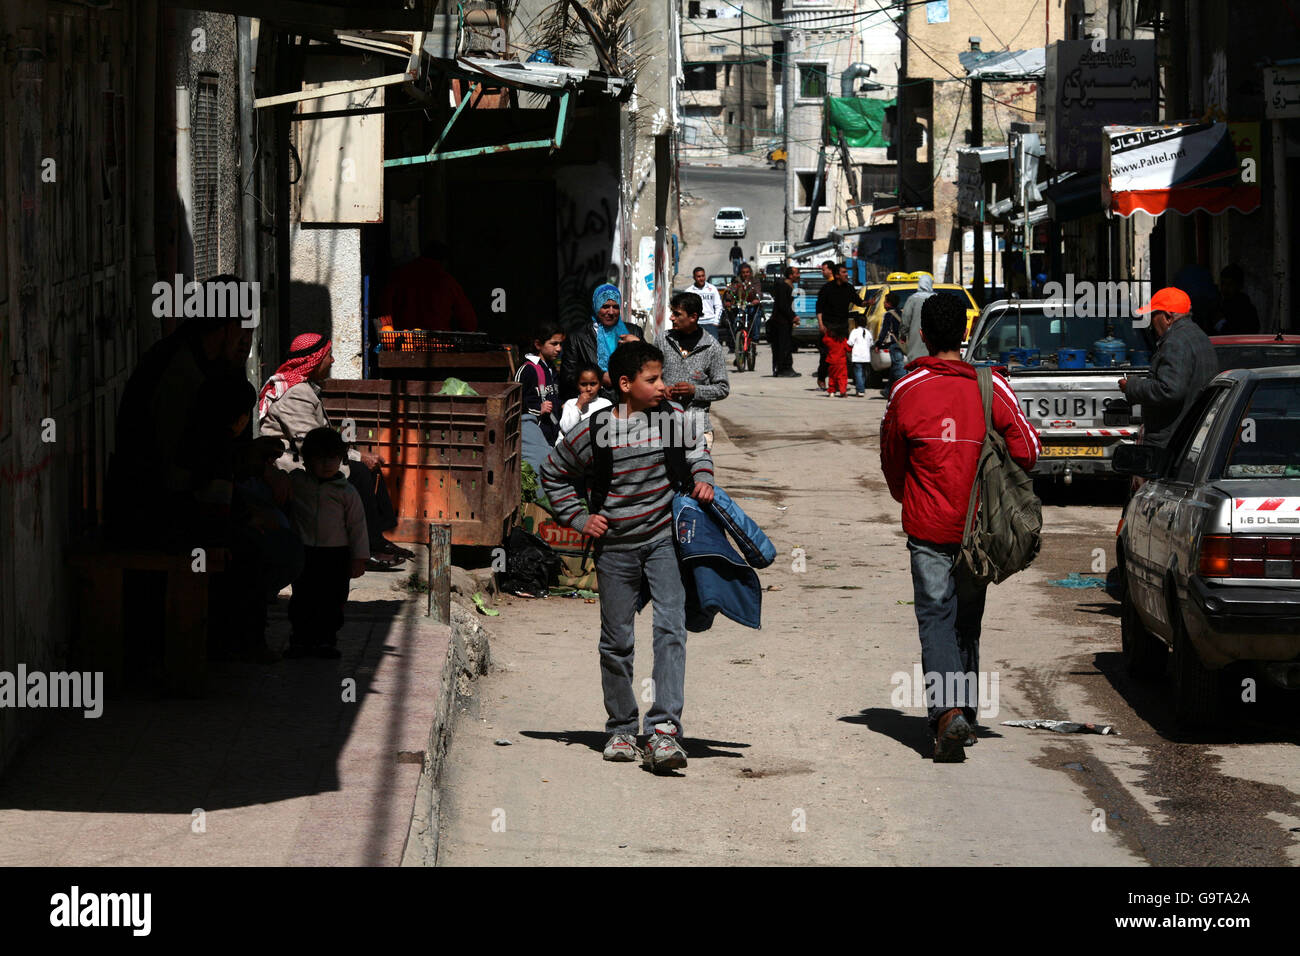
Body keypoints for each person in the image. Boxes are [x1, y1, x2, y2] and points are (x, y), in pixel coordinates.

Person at [539, 340, 715, 774]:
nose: (661, 386)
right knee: (616, 641)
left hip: (663, 544)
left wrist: (703, 477)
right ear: (625, 384)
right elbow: (552, 473)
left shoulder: (672, 420)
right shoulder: (595, 430)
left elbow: (698, 448)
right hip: (615, 549)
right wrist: (581, 520)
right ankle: (621, 727)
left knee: (670, 629)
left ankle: (664, 730)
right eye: (652, 379)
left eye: (660, 378)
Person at [880, 293, 1040, 763]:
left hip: (928, 526)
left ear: (923, 336)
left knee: (935, 618)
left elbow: (892, 461)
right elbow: (1028, 450)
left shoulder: (906, 389)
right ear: (966, 333)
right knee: (966, 622)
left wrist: (911, 495)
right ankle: (961, 712)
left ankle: (949, 714)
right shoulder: (992, 387)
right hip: (980, 532)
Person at [106, 277, 254, 547]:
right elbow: (179, 464)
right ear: (224, 327)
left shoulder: (211, 364)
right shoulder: (181, 370)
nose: (247, 342)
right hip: (153, 510)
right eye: (243, 330)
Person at [257, 333, 412, 569]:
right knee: (359, 472)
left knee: (369, 470)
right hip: (293, 464)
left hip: (307, 455)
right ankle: (366, 548)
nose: (332, 361)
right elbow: (311, 443)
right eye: (328, 355)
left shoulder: (302, 388)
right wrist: (357, 457)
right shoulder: (294, 393)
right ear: (314, 359)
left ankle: (376, 540)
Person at [286, 428, 369, 659]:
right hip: (304, 552)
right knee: (302, 597)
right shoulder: (296, 483)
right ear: (307, 459)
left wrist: (359, 558)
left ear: (341, 458)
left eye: (332, 458)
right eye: (320, 458)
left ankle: (326, 641)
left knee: (332, 599)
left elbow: (357, 527)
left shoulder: (347, 492)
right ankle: (300, 640)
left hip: (336, 556)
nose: (327, 464)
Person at [1119, 287, 1220, 449]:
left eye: (1153, 315)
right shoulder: (1198, 335)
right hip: (1189, 435)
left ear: (1167, 317)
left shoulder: (1176, 341)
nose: (1151, 322)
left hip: (1171, 440)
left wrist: (1132, 386)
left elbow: (1170, 390)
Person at [661, 291, 731, 451]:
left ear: (693, 317)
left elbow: (723, 388)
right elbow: (650, 376)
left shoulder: (712, 347)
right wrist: (662, 389)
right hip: (665, 423)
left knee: (698, 473)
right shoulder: (663, 340)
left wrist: (694, 390)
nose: (672, 318)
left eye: (677, 314)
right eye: (672, 313)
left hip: (698, 427)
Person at [559, 283, 645, 403]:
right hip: (593, 404)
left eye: (615, 307)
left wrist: (638, 344)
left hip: (628, 401)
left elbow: (648, 364)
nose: (611, 312)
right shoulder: (577, 337)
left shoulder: (633, 332)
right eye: (605, 306)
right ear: (596, 306)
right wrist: (598, 377)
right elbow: (567, 375)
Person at [375, 240, 477, 333]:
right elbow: (469, 322)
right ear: (444, 261)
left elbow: (384, 308)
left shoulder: (399, 275)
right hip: (437, 342)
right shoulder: (447, 281)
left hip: (404, 341)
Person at [516, 321, 563, 472]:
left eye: (560, 344)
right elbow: (516, 402)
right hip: (534, 436)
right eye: (554, 344)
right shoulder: (527, 370)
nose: (559, 349)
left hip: (551, 434)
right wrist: (538, 409)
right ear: (538, 345)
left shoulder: (551, 368)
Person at [815, 261, 864, 389]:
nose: (847, 275)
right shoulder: (826, 289)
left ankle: (838, 381)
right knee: (826, 355)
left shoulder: (849, 288)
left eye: (846, 272)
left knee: (842, 356)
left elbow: (859, 302)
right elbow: (819, 308)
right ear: (837, 275)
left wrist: (868, 302)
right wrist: (821, 324)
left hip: (842, 326)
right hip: (828, 325)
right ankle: (821, 377)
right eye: (844, 272)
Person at [556, 363, 612, 442]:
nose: (588, 388)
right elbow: (566, 429)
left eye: (593, 384)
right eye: (584, 384)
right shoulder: (570, 404)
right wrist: (579, 405)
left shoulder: (605, 404)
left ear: (600, 384)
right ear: (577, 385)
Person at [721, 263, 763, 364]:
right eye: (743, 272)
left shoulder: (755, 281)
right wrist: (728, 300)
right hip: (740, 306)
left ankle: (754, 339)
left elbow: (758, 291)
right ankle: (738, 345)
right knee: (736, 322)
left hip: (752, 305)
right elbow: (730, 291)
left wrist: (757, 299)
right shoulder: (736, 281)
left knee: (756, 317)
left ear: (750, 272)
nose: (745, 274)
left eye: (747, 272)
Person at [769, 265, 801, 377]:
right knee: (783, 346)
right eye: (796, 273)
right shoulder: (783, 287)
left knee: (787, 345)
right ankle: (783, 369)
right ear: (791, 275)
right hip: (780, 322)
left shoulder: (789, 286)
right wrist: (793, 316)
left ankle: (787, 368)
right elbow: (783, 305)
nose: (798, 275)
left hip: (785, 321)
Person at [1212, 264, 1260, 335]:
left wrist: (1220, 324)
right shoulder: (1220, 305)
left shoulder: (1246, 310)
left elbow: (1237, 336)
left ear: (1239, 285)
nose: (1225, 288)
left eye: (1230, 284)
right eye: (1223, 284)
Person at [899, 272, 935, 366]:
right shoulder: (936, 298)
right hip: (934, 343)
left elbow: (905, 319)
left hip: (916, 341)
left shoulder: (912, 299)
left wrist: (903, 334)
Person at [878, 292, 907, 398]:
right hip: (903, 342)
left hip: (895, 343)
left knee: (898, 366)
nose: (884, 304)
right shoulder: (901, 313)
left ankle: (905, 387)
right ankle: (888, 390)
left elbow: (884, 331)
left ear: (889, 303)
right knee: (894, 367)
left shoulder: (889, 315)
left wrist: (878, 343)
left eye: (885, 302)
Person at [690, 267, 725, 342]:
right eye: (698, 276)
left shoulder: (712, 289)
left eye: (703, 276)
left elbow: (719, 306)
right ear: (694, 277)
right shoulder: (689, 291)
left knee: (713, 349)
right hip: (696, 324)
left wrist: (716, 321)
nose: (701, 278)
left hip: (710, 324)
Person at [847, 314, 875, 397]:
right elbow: (871, 344)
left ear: (856, 323)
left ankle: (860, 390)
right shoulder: (868, 332)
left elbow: (850, 343)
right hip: (866, 357)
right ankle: (860, 388)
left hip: (857, 357)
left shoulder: (854, 332)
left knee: (858, 373)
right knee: (863, 374)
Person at [822, 324, 852, 398]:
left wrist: (826, 333)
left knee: (832, 377)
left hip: (832, 362)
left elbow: (824, 340)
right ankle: (842, 391)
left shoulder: (829, 340)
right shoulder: (843, 340)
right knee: (842, 377)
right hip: (841, 362)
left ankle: (831, 391)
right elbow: (849, 349)